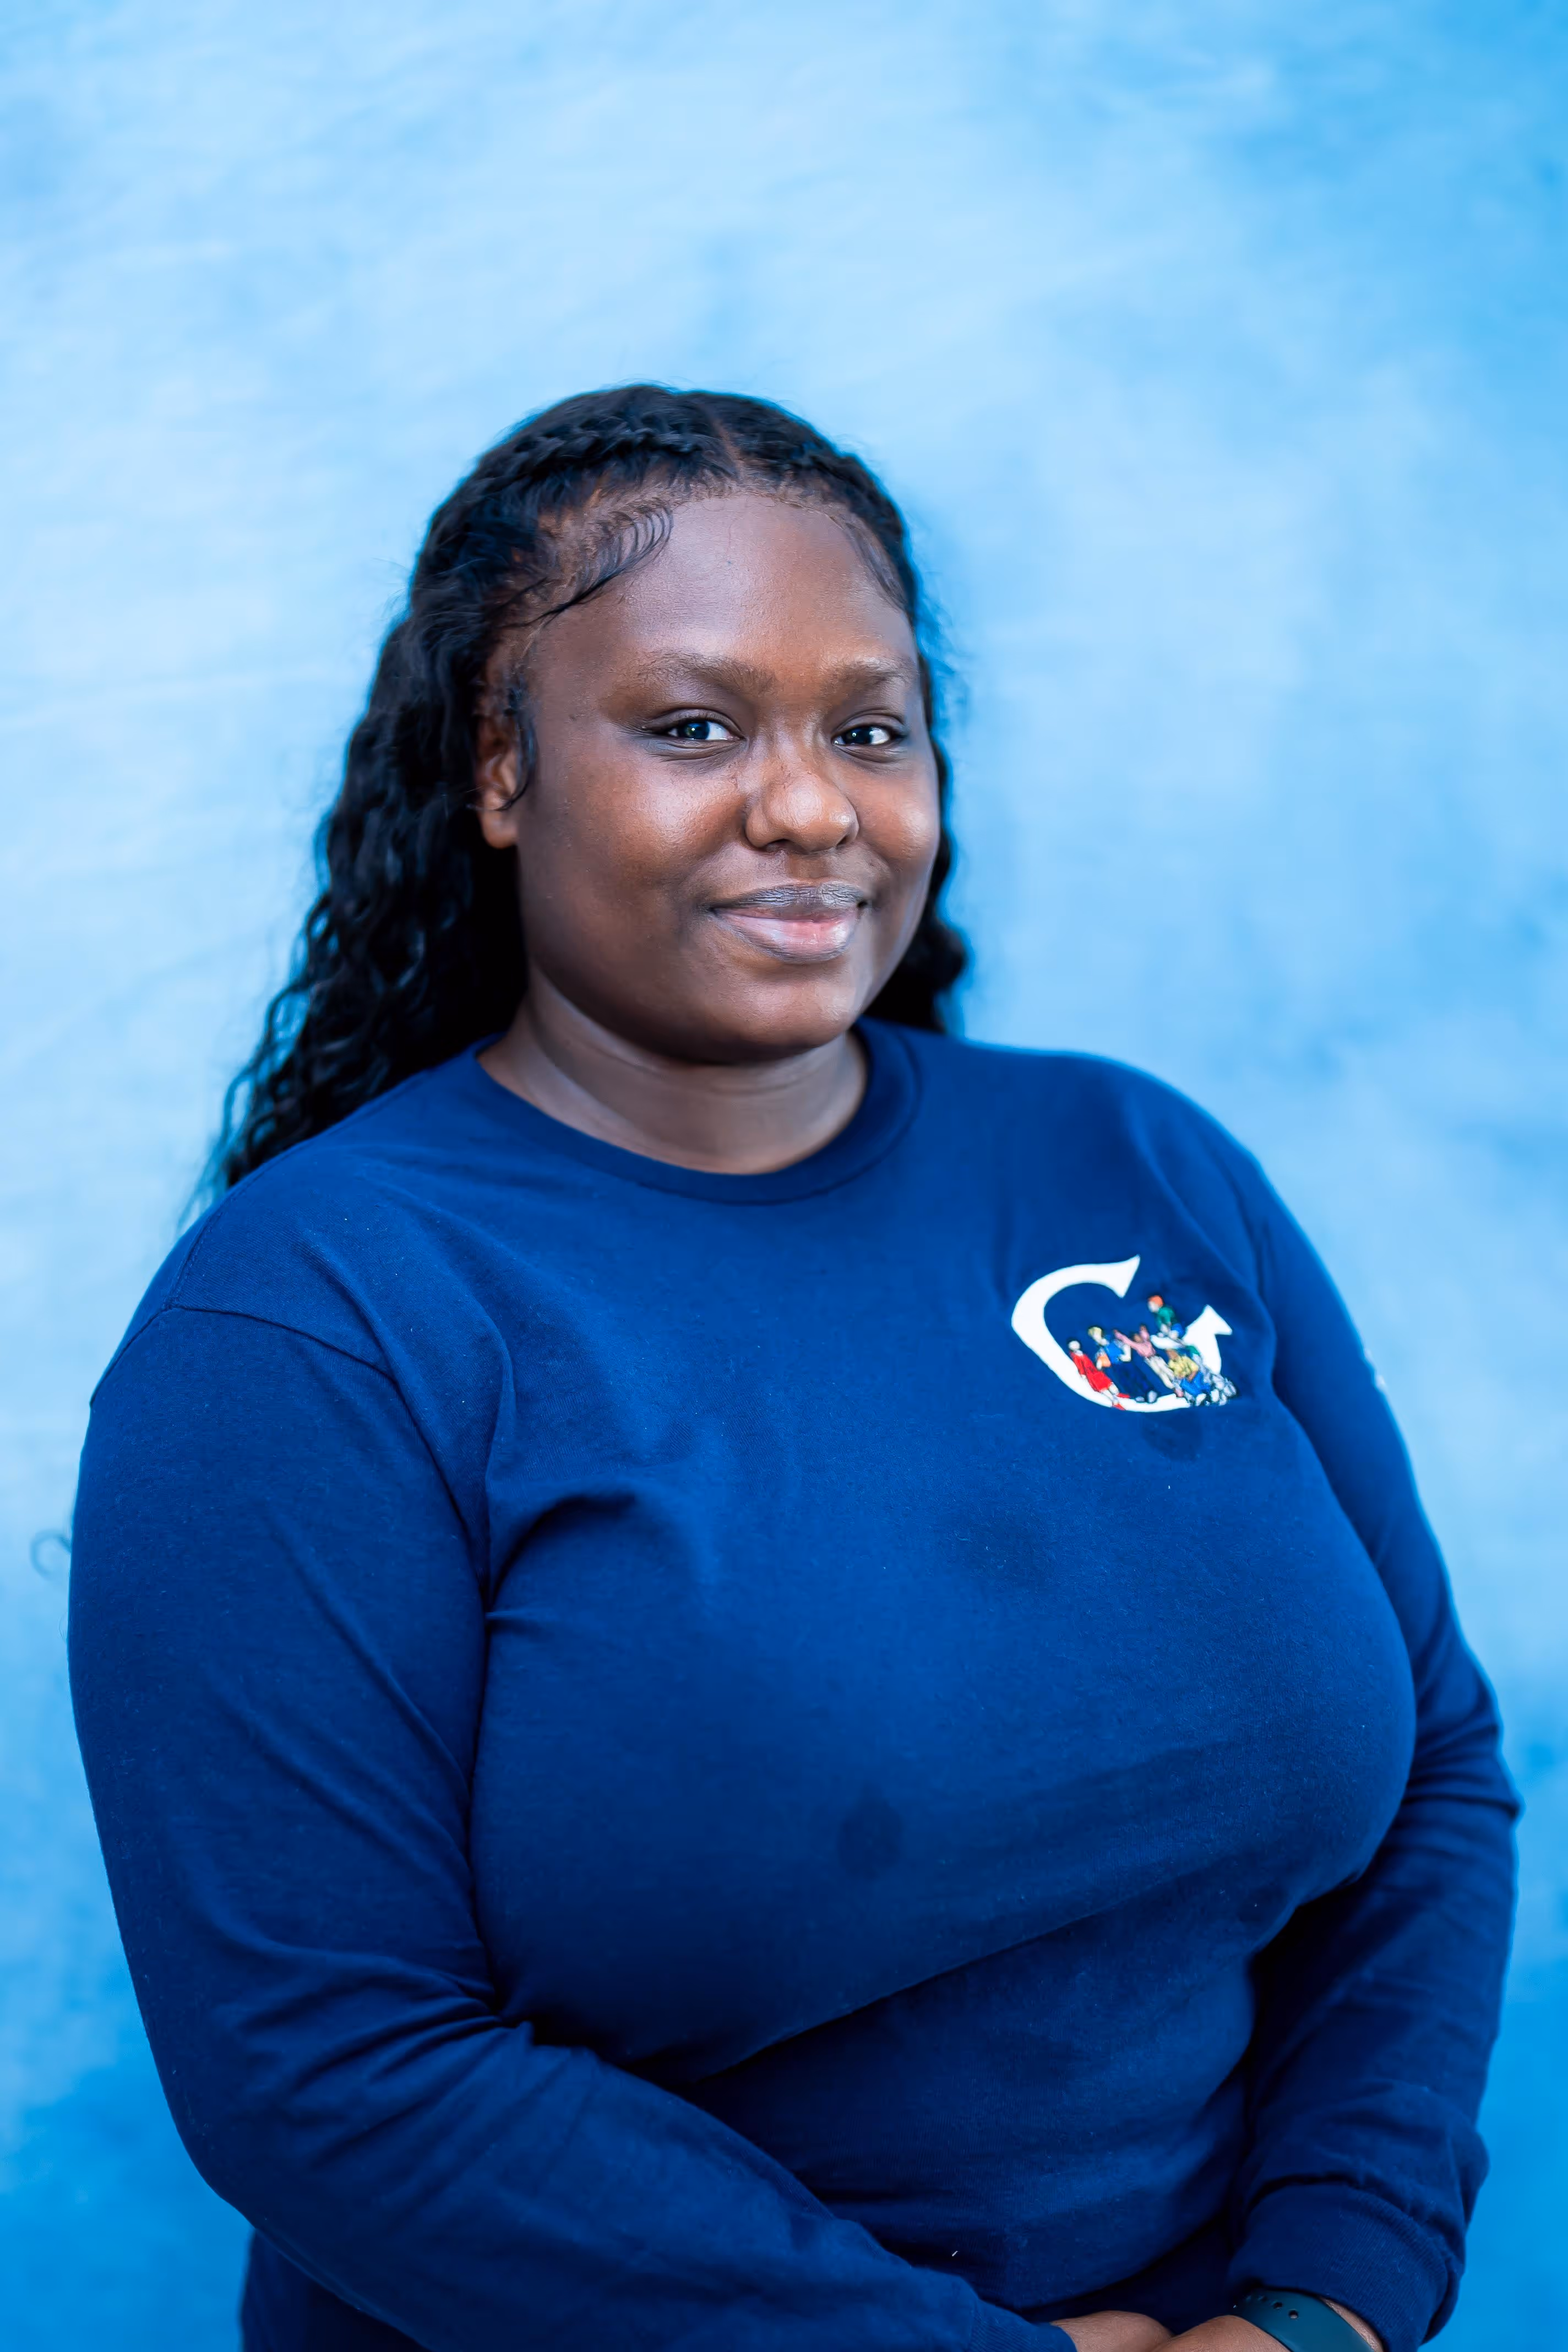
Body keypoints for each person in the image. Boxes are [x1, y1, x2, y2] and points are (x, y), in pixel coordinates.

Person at [67, 386, 1516, 2352]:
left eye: (871, 727)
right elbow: (332, 2073)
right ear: (500, 771)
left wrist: (1331, 2294)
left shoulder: (1138, 1164)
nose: (815, 805)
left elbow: (1433, 1768)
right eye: (693, 727)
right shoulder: (314, 1324)